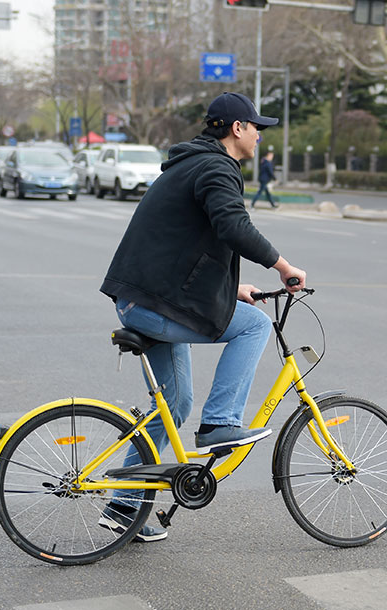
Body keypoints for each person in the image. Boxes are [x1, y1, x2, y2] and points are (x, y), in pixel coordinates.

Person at [98, 92, 307, 542]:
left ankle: (122, 506)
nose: (258, 136)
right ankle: (220, 424)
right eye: (256, 128)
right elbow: (233, 227)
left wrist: (234, 288)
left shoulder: (192, 163)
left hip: (146, 298)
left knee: (173, 405)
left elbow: (182, 248)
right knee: (253, 325)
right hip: (152, 304)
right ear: (237, 129)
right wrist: (283, 267)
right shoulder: (215, 167)